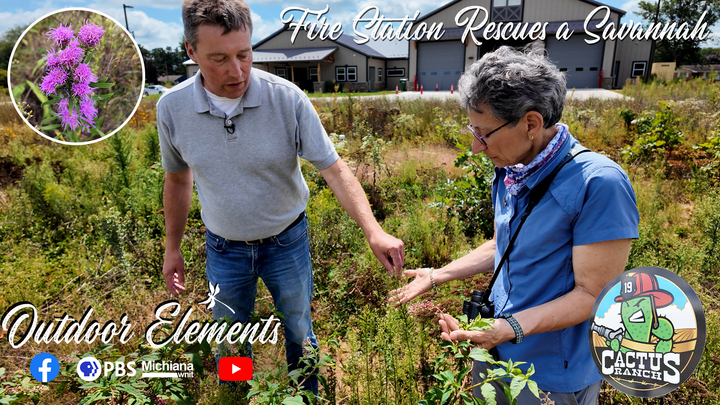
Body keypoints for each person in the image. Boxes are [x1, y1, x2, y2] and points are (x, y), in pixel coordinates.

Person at [158, 0, 405, 395]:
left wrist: (373, 230)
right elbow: (177, 180)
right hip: (223, 248)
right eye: (218, 58)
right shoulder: (172, 109)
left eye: (244, 54)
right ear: (190, 51)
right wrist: (173, 247)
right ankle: (237, 395)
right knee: (230, 334)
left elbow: (335, 169)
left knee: (297, 325)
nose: (236, 71)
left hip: (286, 243)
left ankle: (304, 395)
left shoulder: (286, 99)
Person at [389, 46, 639, 405]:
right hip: (496, 351)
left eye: (484, 133)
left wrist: (508, 329)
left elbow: (593, 295)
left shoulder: (599, 184)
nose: (475, 148)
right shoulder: (512, 170)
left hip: (551, 376)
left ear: (531, 124)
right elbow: (502, 245)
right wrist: (438, 275)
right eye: (472, 131)